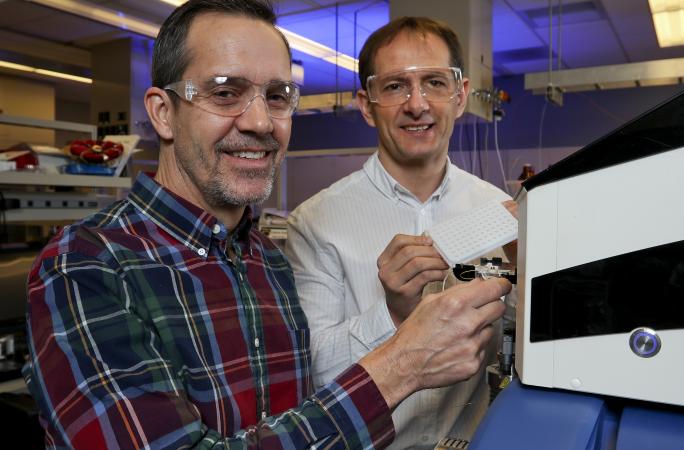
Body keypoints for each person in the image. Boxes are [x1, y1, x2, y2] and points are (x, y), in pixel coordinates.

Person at [23, 1, 511, 448]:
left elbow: (296, 419)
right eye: (226, 92)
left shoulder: (265, 261)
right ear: (163, 113)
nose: (260, 121)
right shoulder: (88, 265)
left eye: (277, 96)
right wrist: (399, 365)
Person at [285, 17, 517, 448]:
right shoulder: (316, 223)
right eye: (394, 87)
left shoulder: (496, 211)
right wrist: (391, 314)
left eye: (434, 82)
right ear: (366, 104)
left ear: (461, 95)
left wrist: (528, 276)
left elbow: (517, 340)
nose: (417, 104)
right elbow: (315, 377)